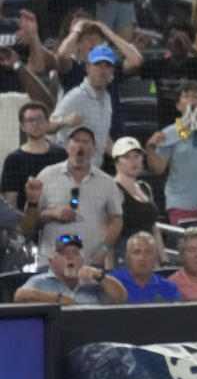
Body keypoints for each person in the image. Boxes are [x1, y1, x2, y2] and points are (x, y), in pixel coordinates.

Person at [36, 126, 123, 268]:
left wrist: (103, 250)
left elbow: (117, 220)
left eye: (86, 142)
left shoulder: (106, 182)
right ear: (67, 146)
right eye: (76, 141)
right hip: (51, 263)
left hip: (89, 263)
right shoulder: (47, 176)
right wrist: (54, 213)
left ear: (94, 149)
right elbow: (33, 218)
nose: (80, 145)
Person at [144, 81, 197, 226]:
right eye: (186, 96)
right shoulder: (168, 134)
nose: (192, 100)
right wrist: (150, 148)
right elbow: (158, 169)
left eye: (196, 96)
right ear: (178, 105)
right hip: (181, 202)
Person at [51, 45, 115, 168]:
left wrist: (120, 156)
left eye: (107, 66)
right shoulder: (76, 97)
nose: (102, 71)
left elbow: (102, 136)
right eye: (97, 65)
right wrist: (64, 121)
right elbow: (49, 126)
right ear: (88, 68)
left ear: (112, 71)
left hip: (93, 172)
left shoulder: (107, 98)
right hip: (69, 170)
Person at [13, 235, 126, 305]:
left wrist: (98, 275)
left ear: (82, 260)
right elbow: (19, 297)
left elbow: (121, 297)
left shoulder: (92, 284)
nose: (70, 257)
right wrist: (58, 299)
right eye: (63, 253)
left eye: (75, 253)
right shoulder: (40, 281)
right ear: (51, 261)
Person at [1, 103, 67, 209]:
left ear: (47, 123)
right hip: (26, 219)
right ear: (22, 126)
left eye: (40, 119)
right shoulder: (13, 160)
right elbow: (10, 201)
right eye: (30, 120)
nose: (35, 124)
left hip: (59, 217)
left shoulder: (61, 155)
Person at [112, 137, 160, 269]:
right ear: (117, 162)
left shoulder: (145, 187)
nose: (134, 161)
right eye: (127, 157)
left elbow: (153, 227)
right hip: (125, 254)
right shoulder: (114, 190)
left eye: (137, 156)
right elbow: (108, 230)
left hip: (148, 252)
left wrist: (163, 259)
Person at [111, 233, 181, 303]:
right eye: (137, 252)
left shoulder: (169, 288)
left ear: (155, 258)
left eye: (148, 252)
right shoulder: (112, 280)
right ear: (127, 258)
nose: (142, 258)